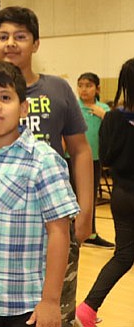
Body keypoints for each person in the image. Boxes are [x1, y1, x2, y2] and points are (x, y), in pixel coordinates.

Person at [0, 6, 93, 327]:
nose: (11, 43)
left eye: (21, 36)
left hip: (51, 210)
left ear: (35, 43)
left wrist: (85, 213)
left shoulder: (57, 91)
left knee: (55, 310)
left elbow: (81, 151)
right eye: (3, 36)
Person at [0, 61, 80, 327]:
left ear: (23, 108)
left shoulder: (43, 160)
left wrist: (50, 300)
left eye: (5, 97)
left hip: (23, 306)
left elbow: (59, 233)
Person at [75, 58, 134, 327]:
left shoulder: (111, 117)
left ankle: (87, 308)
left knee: (123, 255)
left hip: (122, 196)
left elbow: (107, 156)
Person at [75, 72, 114, 249]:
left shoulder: (104, 109)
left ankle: (90, 233)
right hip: (72, 159)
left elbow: (116, 130)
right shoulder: (74, 107)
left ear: (97, 88)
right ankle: (72, 233)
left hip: (95, 160)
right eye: (81, 85)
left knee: (88, 198)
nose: (84, 89)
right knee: (72, 197)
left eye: (88, 85)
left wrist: (104, 116)